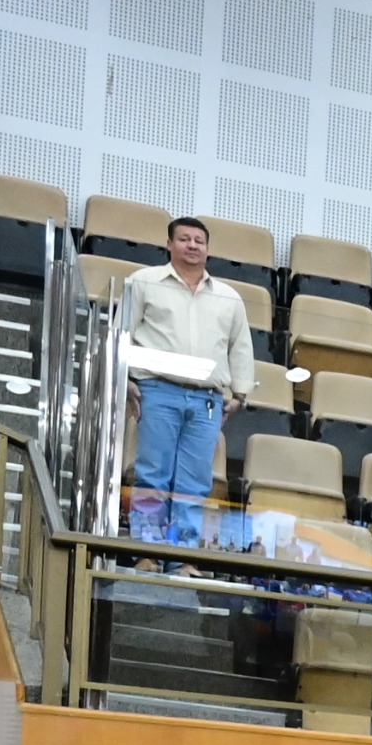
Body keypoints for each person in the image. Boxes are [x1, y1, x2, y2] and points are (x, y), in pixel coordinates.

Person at [118, 214, 256, 544]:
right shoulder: (143, 281)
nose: (192, 245)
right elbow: (121, 333)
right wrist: (124, 378)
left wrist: (240, 394)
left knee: (194, 484)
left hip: (206, 400)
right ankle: (148, 550)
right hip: (155, 391)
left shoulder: (228, 296)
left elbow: (240, 346)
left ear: (208, 248)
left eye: (199, 241)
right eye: (184, 239)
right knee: (153, 475)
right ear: (169, 244)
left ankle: (183, 556)